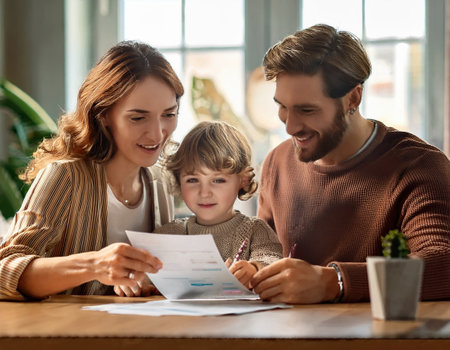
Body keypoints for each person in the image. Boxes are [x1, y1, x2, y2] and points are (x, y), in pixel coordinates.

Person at [250, 24, 450, 304]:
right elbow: (265, 251)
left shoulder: (419, 166)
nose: (290, 126)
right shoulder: (277, 162)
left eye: (307, 110)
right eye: (282, 106)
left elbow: (442, 264)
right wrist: (254, 269)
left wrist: (334, 282)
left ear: (352, 98)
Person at [0, 41, 184, 300]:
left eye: (169, 114)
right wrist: (94, 265)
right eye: (138, 117)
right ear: (104, 114)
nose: (157, 133)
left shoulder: (160, 183)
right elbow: (4, 271)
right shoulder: (65, 177)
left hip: (134, 336)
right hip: (67, 337)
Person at [154, 121, 282, 288]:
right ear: (179, 181)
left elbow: (272, 260)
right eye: (192, 180)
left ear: (243, 180)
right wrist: (137, 281)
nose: (204, 192)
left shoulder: (255, 230)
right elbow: (145, 270)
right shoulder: (168, 234)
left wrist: (254, 268)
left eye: (218, 180)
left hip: (241, 314)